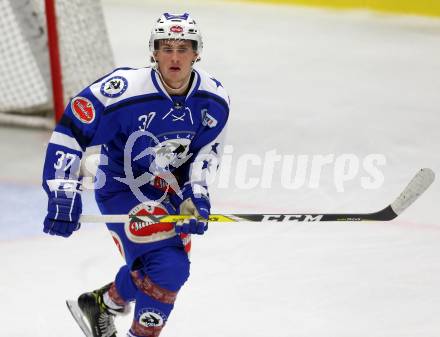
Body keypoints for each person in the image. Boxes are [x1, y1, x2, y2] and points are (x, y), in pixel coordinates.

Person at [42, 12, 229, 337]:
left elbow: (204, 153)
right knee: (169, 268)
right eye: (166, 47)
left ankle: (102, 304)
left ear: (197, 53)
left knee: (159, 266)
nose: (174, 57)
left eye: (183, 48)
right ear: (153, 52)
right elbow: (71, 132)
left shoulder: (214, 100)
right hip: (121, 185)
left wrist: (194, 193)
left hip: (165, 189)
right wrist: (62, 189)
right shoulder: (122, 91)